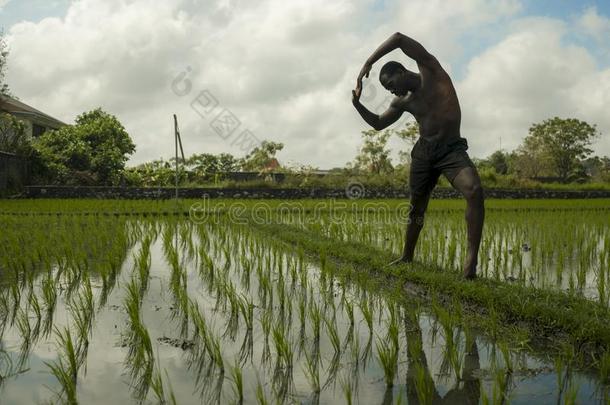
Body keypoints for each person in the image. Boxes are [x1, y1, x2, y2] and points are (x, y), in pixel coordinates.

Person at [352, 32, 484, 279]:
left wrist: (369, 61)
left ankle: (470, 265)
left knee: (474, 191)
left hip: (451, 150)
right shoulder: (403, 102)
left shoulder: (432, 72)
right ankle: (407, 256)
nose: (392, 92)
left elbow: (400, 39)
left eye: (391, 86)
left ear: (401, 73)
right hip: (425, 152)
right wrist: (357, 104)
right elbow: (379, 123)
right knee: (416, 207)